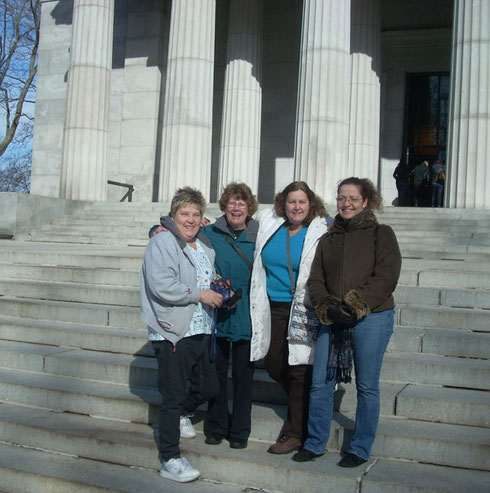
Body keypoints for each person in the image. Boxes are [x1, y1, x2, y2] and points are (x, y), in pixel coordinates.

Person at [292, 177, 401, 468]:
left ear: (366, 201)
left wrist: (353, 306)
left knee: (366, 385)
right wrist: (328, 306)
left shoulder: (381, 234)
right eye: (341, 198)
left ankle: (361, 447)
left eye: (353, 198)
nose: (346, 203)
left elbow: (387, 276)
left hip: (372, 317)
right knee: (320, 384)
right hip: (333, 320)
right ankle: (315, 442)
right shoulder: (329, 237)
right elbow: (315, 279)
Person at [140, 187, 222, 483]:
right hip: (173, 330)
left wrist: (219, 291)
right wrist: (200, 294)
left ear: (202, 218)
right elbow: (162, 285)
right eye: (184, 214)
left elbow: (206, 278)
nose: (189, 219)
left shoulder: (204, 244)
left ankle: (182, 414)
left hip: (202, 328)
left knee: (210, 386)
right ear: (172, 216)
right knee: (172, 395)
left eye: (195, 214)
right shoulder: (162, 242)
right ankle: (170, 458)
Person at [249, 181, 331, 454]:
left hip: (303, 307)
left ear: (311, 205)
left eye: (302, 202)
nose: (297, 207)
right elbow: (235, 221)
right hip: (273, 307)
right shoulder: (270, 225)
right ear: (283, 204)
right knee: (274, 365)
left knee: (299, 370)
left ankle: (295, 431)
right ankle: (304, 407)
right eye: (292, 202)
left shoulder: (322, 230)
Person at [203, 183, 258, 450]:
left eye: (242, 204)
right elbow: (180, 232)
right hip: (219, 314)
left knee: (243, 379)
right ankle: (215, 426)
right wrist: (156, 229)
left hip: (248, 314)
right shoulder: (210, 232)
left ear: (249, 208)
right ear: (224, 206)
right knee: (216, 374)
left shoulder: (259, 234)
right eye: (232, 203)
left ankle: (239, 431)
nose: (236, 208)